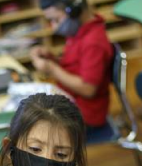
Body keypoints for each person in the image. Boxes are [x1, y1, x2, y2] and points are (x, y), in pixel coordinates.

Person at [29, 0, 113, 130]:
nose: (54, 27)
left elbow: (88, 89)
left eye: (56, 19)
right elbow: (74, 67)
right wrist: (51, 58)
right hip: (70, 101)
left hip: (85, 115)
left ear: (74, 12)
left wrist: (52, 68)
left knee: (28, 124)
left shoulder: (93, 43)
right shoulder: (78, 31)